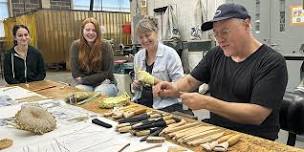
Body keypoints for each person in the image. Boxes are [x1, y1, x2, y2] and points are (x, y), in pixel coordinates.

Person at [154, 3, 288, 140]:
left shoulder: (271, 62)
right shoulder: (216, 54)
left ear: (246, 24)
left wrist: (207, 103)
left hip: (254, 139)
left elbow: (257, 114)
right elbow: (190, 81)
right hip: (217, 132)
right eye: (215, 34)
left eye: (225, 31)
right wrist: (174, 88)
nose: (220, 39)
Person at [132, 16, 184, 112]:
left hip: (166, 105)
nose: (145, 40)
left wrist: (157, 82)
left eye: (147, 35)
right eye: (141, 37)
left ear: (156, 33)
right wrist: (136, 85)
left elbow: (180, 86)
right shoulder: (138, 57)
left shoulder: (170, 54)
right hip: (143, 103)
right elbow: (137, 87)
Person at [70, 17, 118, 97]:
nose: (91, 33)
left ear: (98, 32)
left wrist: (83, 80)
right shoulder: (75, 46)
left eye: (94, 30)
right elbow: (76, 74)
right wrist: (96, 78)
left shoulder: (105, 45)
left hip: (106, 84)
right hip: (86, 84)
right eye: (87, 30)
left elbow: (108, 73)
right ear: (82, 31)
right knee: (77, 94)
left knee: (99, 94)